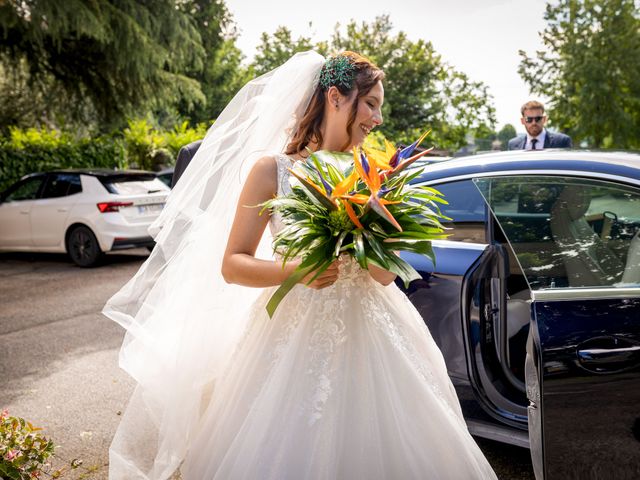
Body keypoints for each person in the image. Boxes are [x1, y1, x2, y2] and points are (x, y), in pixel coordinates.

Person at [103, 51, 497, 479]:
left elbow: (384, 276)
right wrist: (297, 272)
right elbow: (233, 265)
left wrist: (379, 230)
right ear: (336, 97)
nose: (378, 118)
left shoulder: (374, 175)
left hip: (376, 333)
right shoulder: (272, 171)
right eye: (371, 104)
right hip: (289, 337)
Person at [508, 100, 572, 150]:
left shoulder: (561, 142)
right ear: (522, 121)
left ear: (544, 119)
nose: (534, 123)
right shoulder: (513, 145)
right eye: (529, 119)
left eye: (538, 118)